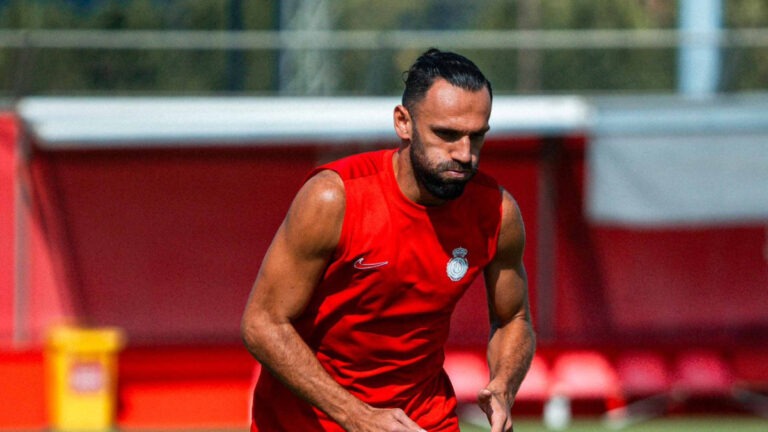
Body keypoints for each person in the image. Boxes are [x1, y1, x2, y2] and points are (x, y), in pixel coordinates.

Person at [241, 48, 535, 432]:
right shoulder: (335, 198)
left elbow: (514, 318)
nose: (464, 154)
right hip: (307, 422)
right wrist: (356, 416)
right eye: (446, 134)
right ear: (404, 123)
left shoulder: (496, 212)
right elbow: (262, 323)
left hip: (425, 420)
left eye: (476, 137)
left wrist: (503, 386)